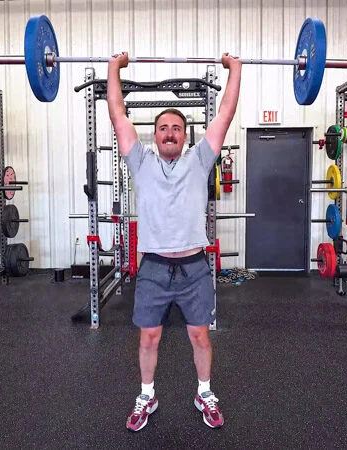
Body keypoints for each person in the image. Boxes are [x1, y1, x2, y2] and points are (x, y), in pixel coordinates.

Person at [107, 51, 242, 431]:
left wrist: (236, 70)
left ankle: (204, 391)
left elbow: (226, 113)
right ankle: (146, 395)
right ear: (155, 134)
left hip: (194, 267)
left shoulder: (201, 160)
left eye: (176, 128)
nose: (169, 133)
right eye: (163, 128)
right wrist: (113, 69)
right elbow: (118, 113)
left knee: (200, 335)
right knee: (149, 337)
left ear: (185, 136)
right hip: (153, 266)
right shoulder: (140, 161)